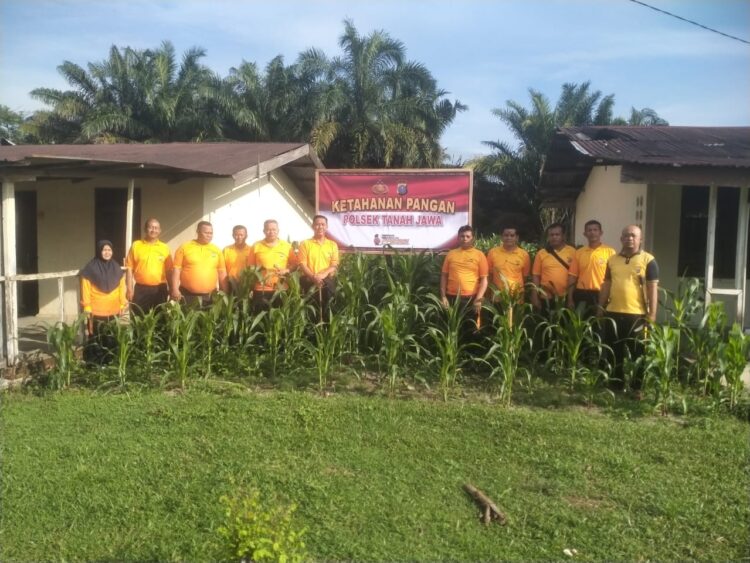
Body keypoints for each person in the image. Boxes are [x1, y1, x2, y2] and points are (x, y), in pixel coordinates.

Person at [597, 224, 659, 391]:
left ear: (640, 239)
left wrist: (652, 315)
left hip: (637, 315)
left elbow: (653, 289)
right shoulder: (612, 260)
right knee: (614, 351)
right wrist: (600, 307)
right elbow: (606, 285)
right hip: (613, 312)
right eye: (626, 235)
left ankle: (637, 387)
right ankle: (616, 384)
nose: (629, 238)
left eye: (633, 235)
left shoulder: (649, 260)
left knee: (638, 353)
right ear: (621, 238)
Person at [79, 240, 127, 364]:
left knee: (111, 336)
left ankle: (110, 361)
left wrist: (122, 303)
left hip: (113, 309)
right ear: (99, 251)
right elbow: (85, 288)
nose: (107, 252)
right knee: (96, 336)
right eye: (104, 250)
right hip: (96, 310)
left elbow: (122, 287)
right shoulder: (90, 268)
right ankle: (96, 363)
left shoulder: (116, 268)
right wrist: (87, 306)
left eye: (109, 250)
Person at [440, 225, 489, 338]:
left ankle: (470, 355)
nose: (465, 238)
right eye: (462, 236)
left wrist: (478, 299)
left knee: (470, 329)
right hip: (451, 297)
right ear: (458, 238)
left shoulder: (479, 255)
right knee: (452, 329)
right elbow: (444, 276)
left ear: (473, 238)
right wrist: (443, 297)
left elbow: (484, 280)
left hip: (471, 299)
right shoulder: (451, 254)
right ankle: (453, 354)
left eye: (468, 236)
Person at [171, 221, 228, 308]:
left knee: (207, 321)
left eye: (211, 233)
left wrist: (225, 291)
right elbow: (176, 270)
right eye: (206, 232)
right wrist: (174, 289)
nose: (209, 235)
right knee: (187, 320)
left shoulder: (216, 250)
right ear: (198, 232)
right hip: (188, 295)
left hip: (210, 297)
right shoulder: (184, 247)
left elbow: (222, 272)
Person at [567, 220, 616, 317]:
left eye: (595, 230)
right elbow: (572, 277)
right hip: (582, 294)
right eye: (589, 230)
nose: (592, 232)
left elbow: (614, 278)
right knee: (581, 326)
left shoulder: (610, 252)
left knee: (600, 326)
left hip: (601, 294)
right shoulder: (579, 253)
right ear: (585, 234)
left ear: (601, 232)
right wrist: (570, 298)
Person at [125, 218, 172, 316]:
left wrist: (172, 288)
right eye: (151, 227)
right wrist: (129, 288)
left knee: (160, 318)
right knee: (138, 317)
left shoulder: (164, 248)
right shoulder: (136, 245)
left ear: (160, 231)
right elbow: (129, 268)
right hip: (141, 289)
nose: (153, 230)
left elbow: (168, 271)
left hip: (160, 289)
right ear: (145, 229)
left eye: (156, 228)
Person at [247, 219, 297, 313]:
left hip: (280, 288)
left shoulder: (287, 246)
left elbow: (295, 264)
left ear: (278, 230)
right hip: (261, 289)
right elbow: (251, 267)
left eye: (274, 229)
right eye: (268, 229)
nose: (271, 232)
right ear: (264, 231)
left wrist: (286, 270)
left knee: (279, 319)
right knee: (261, 318)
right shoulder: (256, 246)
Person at [298, 215, 339, 321]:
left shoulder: (332, 245)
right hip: (309, 281)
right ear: (313, 226)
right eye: (317, 224)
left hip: (326, 282)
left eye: (322, 224)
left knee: (328, 310)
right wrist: (313, 277)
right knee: (310, 311)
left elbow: (334, 264)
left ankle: (326, 334)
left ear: (326, 227)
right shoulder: (305, 244)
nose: (320, 227)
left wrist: (323, 275)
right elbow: (302, 264)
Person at [531, 223, 576, 314]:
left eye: (557, 234)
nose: (554, 237)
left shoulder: (573, 252)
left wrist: (571, 298)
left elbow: (574, 276)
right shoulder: (541, 253)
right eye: (551, 235)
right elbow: (536, 276)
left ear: (563, 236)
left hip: (565, 297)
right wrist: (534, 296)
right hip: (546, 297)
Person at [486, 226, 530, 306]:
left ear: (517, 238)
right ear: (502, 237)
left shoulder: (524, 255)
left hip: (516, 297)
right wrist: (488, 294)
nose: (508, 238)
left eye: (512, 235)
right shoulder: (492, 253)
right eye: (506, 235)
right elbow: (490, 275)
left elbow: (525, 277)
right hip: (497, 296)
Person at [223, 225, 251, 294]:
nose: (239, 237)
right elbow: (222, 269)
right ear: (233, 235)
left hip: (246, 284)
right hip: (230, 284)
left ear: (246, 236)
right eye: (236, 235)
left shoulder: (251, 250)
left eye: (241, 235)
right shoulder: (226, 250)